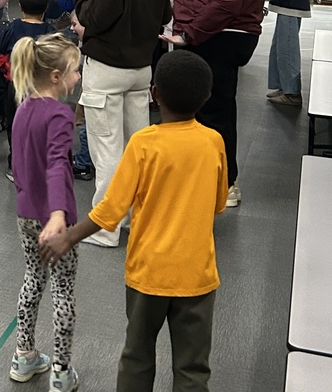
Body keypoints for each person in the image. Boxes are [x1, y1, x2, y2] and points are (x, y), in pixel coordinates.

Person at [41, 51, 228, 392]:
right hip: (197, 276)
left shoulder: (143, 144)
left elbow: (112, 209)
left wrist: (69, 237)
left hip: (148, 274)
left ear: (155, 94)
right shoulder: (213, 142)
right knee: (193, 367)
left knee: (137, 356)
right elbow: (218, 204)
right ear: (207, 97)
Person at [63, 0, 171, 247]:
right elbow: (165, 14)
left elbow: (92, 19)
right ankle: (131, 217)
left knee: (107, 149)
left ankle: (105, 227)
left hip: (107, 71)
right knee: (133, 148)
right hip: (140, 71)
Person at [161, 0, 269, 208]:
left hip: (219, 38)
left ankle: (224, 182)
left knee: (214, 112)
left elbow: (225, 2)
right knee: (217, 108)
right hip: (233, 36)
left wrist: (189, 34)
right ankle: (215, 178)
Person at [9, 32, 81, 392]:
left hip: (24, 213)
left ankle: (23, 355)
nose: (77, 77)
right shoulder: (59, 115)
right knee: (63, 290)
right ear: (55, 76)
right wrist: (56, 214)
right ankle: (61, 372)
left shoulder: (23, 108)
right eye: (74, 71)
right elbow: (56, 165)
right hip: (56, 219)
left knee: (33, 278)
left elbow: (19, 162)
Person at [0, 0, 52, 182]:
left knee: (15, 125)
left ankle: (16, 165)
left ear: (20, 6)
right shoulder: (50, 31)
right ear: (46, 7)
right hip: (43, 88)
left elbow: (0, 47)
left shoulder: (12, 28)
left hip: (17, 85)